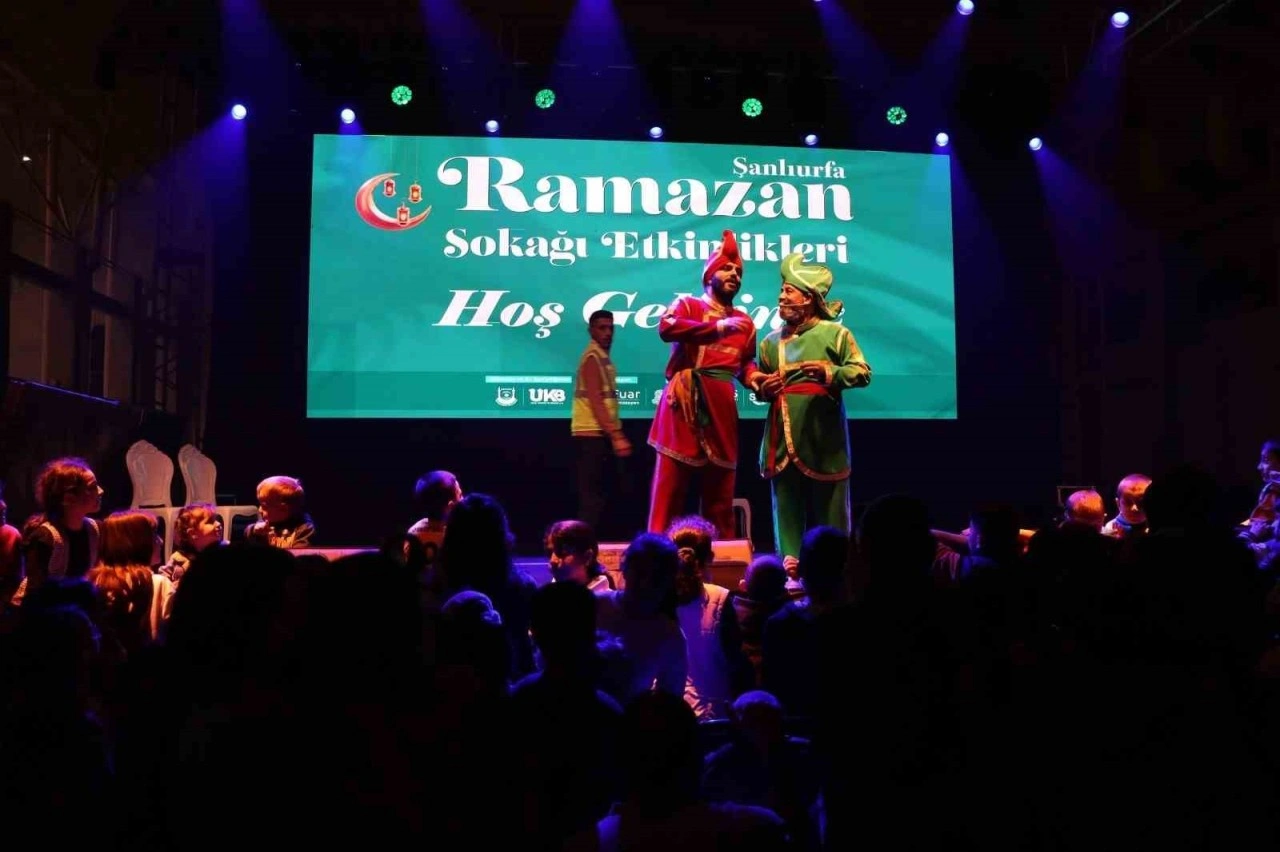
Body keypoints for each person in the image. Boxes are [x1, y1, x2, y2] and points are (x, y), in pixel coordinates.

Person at [753, 252, 871, 565]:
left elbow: (861, 372)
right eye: (781, 291)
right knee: (786, 507)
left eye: (788, 291)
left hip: (824, 436)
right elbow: (760, 383)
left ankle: (838, 566)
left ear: (808, 298)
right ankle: (790, 566)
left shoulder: (837, 334)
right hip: (783, 436)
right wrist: (763, 388)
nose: (781, 297)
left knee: (832, 509)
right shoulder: (769, 342)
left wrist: (828, 372)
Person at [647, 230, 759, 539]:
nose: (734, 275)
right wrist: (717, 328)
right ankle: (656, 552)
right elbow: (667, 328)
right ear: (709, 276)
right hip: (684, 401)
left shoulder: (746, 322)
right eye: (726, 269)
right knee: (669, 490)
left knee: (720, 496)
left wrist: (756, 379)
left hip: (721, 406)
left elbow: (744, 363)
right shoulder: (688, 304)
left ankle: (723, 559)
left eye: (738, 272)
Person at [572, 310, 633, 537]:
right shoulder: (592, 358)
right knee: (592, 499)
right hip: (590, 435)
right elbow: (596, 401)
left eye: (610, 328)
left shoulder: (602, 357)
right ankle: (583, 545)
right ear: (591, 330)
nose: (607, 332)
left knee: (602, 496)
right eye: (601, 328)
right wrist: (616, 435)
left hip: (599, 435)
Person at [13, 457, 104, 605]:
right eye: (92, 487)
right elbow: (36, 593)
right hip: (47, 612)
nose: (100, 491)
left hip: (77, 609)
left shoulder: (95, 529)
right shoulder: (46, 537)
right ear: (69, 498)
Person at [244, 475, 315, 548]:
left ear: (283, 509)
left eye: (264, 506)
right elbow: (248, 535)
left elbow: (300, 553)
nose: (259, 510)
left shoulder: (305, 528)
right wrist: (254, 530)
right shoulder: (270, 520)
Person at [1102, 473, 1152, 539]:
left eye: (1140, 502)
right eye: (1128, 503)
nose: (1134, 508)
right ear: (1118, 504)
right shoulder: (1112, 528)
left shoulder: (1157, 526)